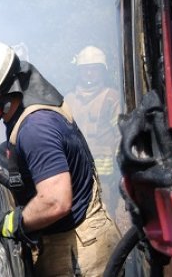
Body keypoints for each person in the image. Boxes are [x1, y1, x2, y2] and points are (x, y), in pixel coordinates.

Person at [0, 34, 120, 276]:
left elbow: (55, 202)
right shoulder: (24, 111)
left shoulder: (36, 128)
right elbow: (18, 152)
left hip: (79, 259)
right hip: (69, 244)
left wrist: (7, 223)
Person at [65, 46, 122, 216]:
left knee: (104, 216)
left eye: (94, 69)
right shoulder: (69, 100)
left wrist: (122, 170)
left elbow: (120, 135)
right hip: (75, 173)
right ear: (79, 71)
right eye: (85, 69)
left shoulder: (112, 97)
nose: (89, 73)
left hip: (105, 177)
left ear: (102, 71)